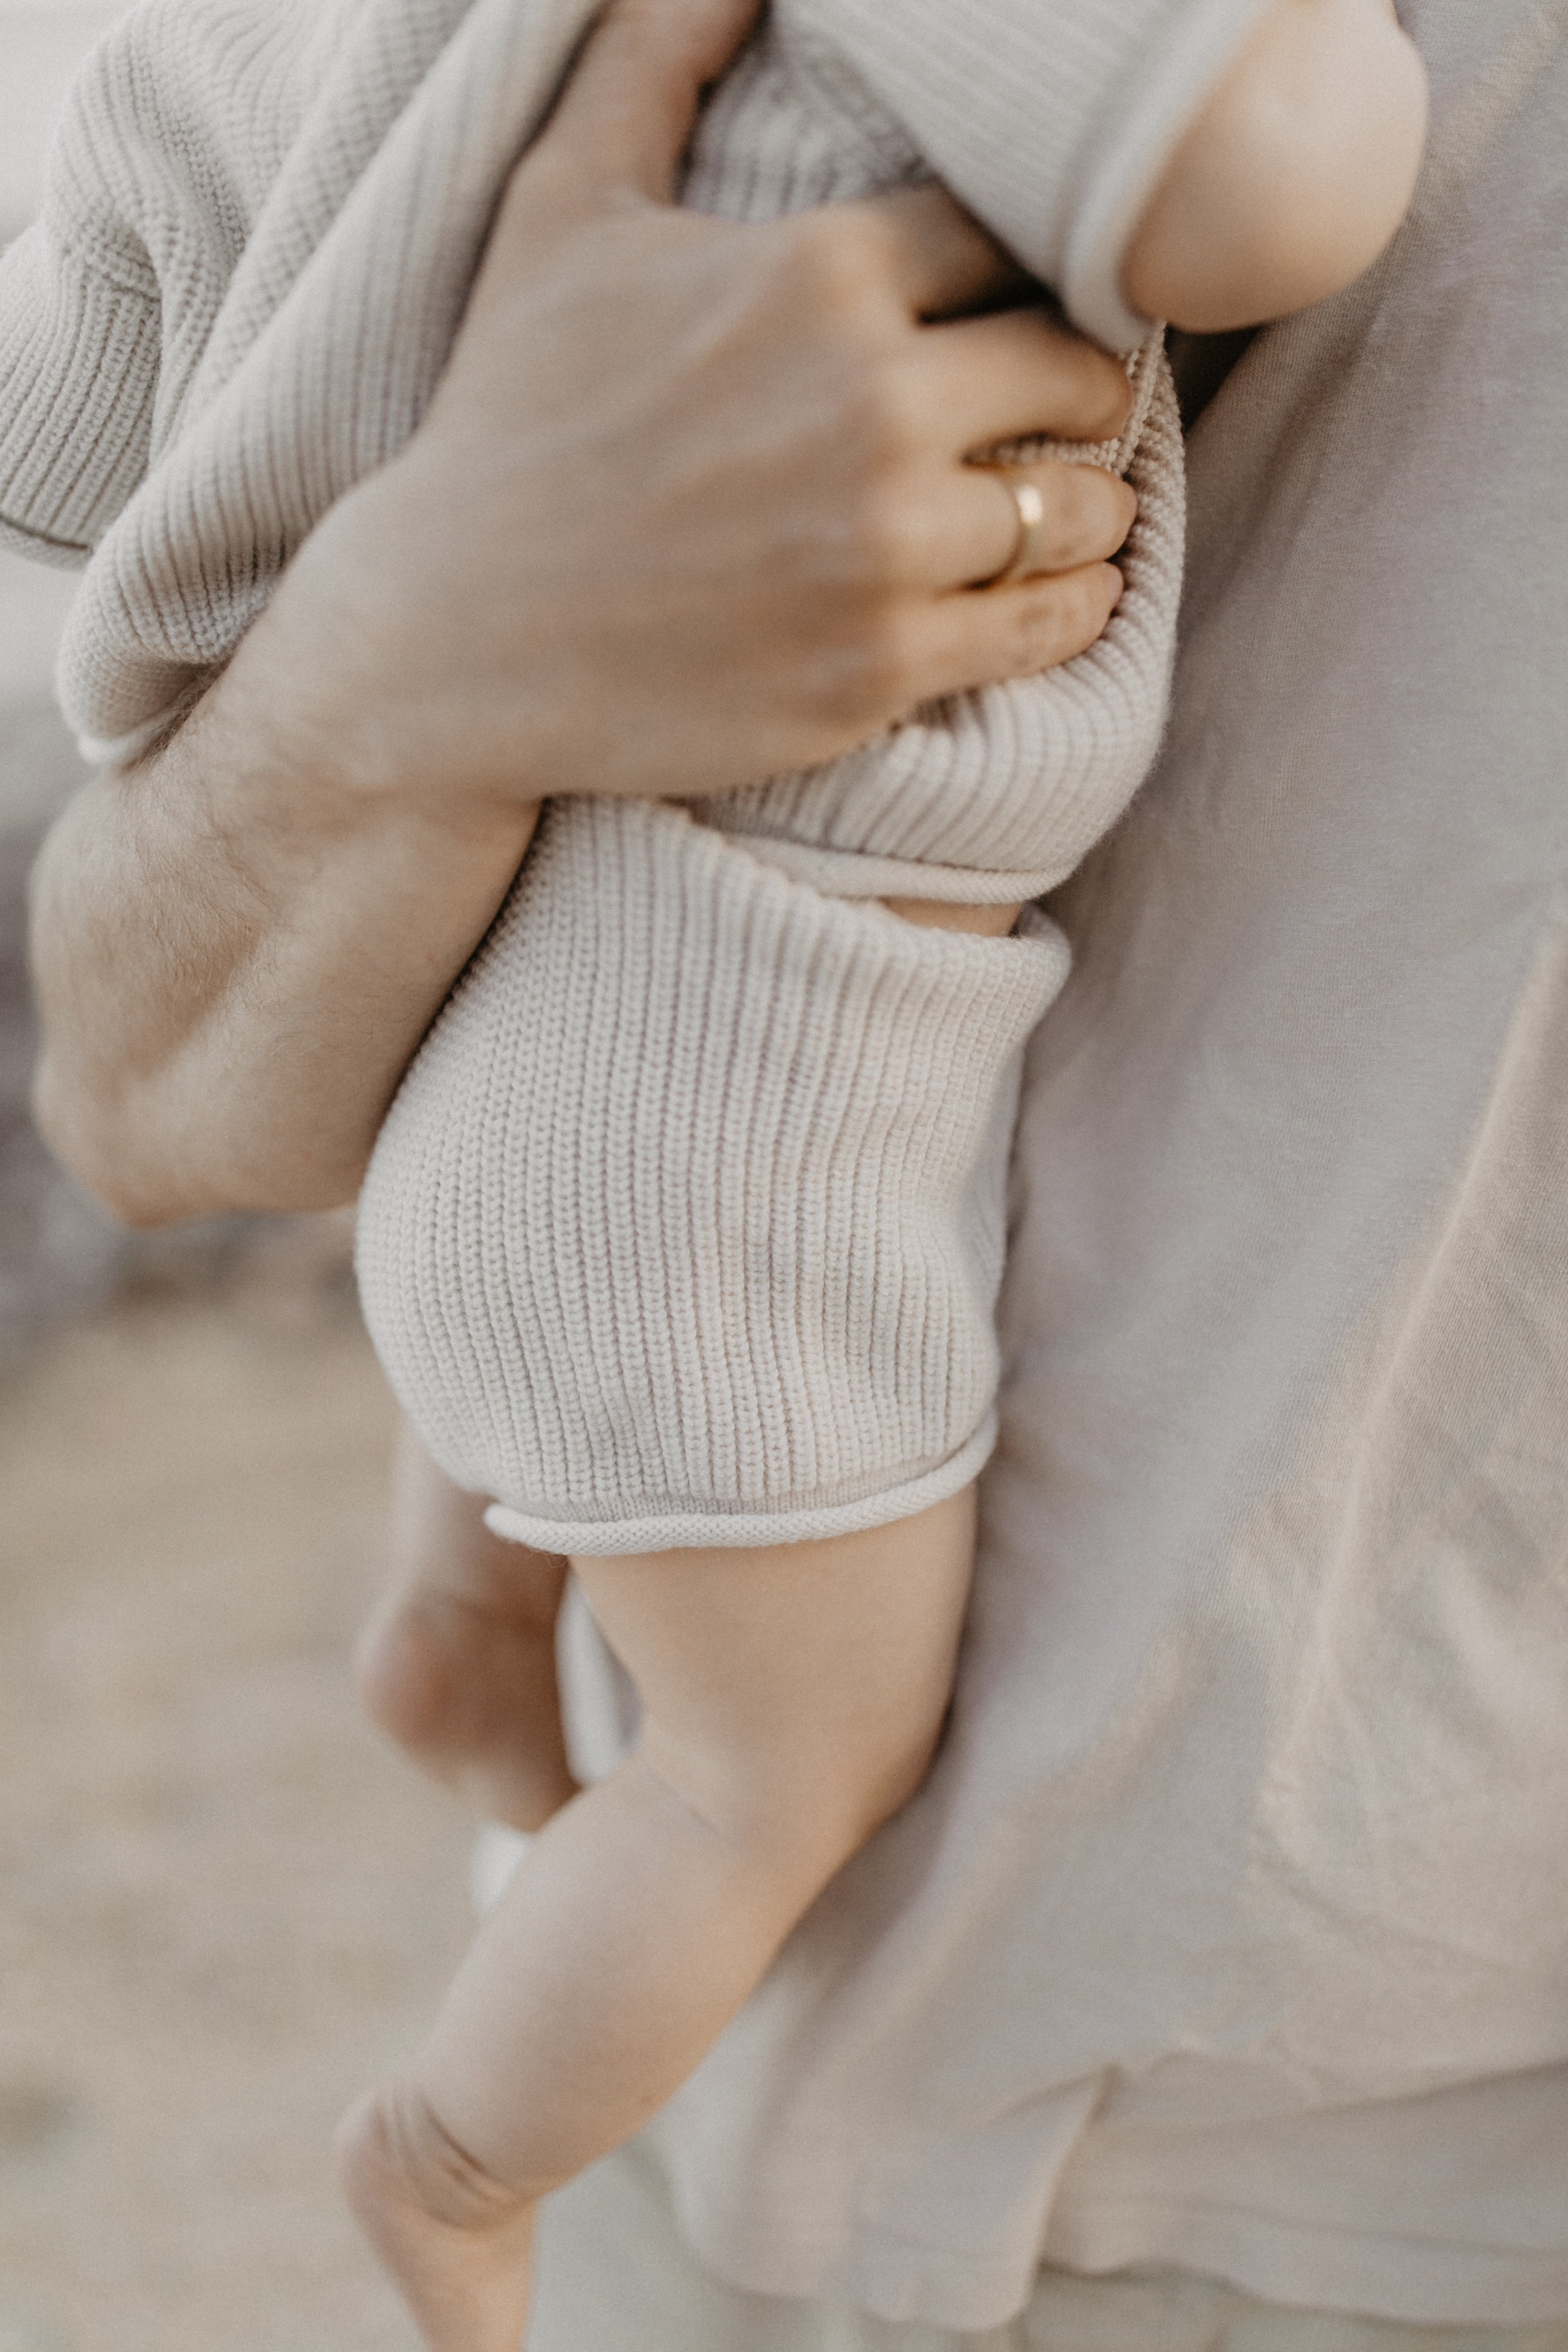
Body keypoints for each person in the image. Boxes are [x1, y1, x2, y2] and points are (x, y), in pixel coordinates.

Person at [15, 4, 1568, 2352]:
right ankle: (449, 2154)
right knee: (772, 1763)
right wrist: (444, 597)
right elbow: (1270, 166)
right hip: (719, 1093)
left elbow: (90, 370)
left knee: (597, 1452)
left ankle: (464, 1630)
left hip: (543, 1058)